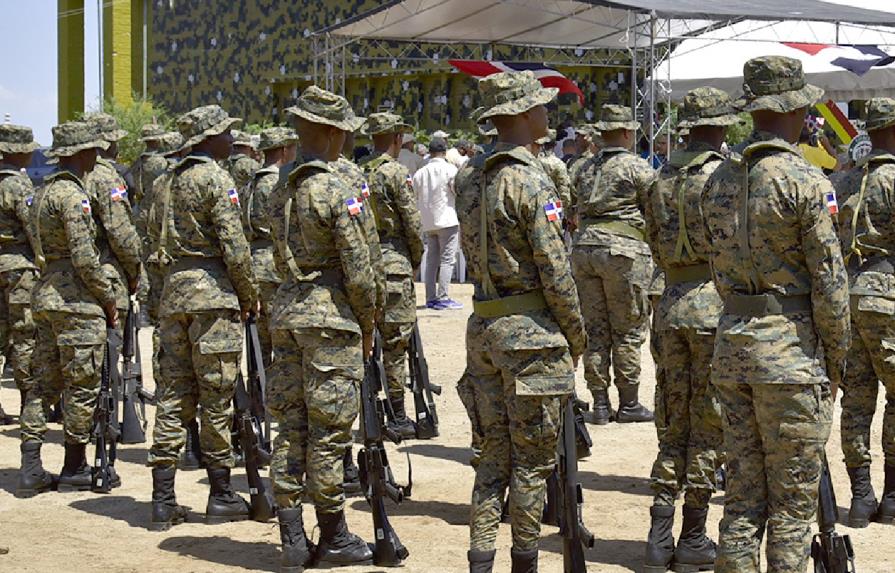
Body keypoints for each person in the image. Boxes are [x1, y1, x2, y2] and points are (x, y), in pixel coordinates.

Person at [702, 56, 849, 573]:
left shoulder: (717, 178)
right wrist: (837, 358)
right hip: (791, 354)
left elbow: (716, 270)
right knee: (791, 506)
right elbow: (830, 282)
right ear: (796, 108)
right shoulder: (804, 180)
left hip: (734, 344)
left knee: (742, 498)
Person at [455, 70, 586, 572]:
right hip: (532, 333)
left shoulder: (469, 174)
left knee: (490, 456)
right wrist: (575, 334)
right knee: (532, 463)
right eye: (541, 107)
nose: (547, 113)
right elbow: (555, 270)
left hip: (484, 326)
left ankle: (480, 558)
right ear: (525, 115)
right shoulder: (531, 178)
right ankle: (525, 561)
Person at [267, 86, 376, 570]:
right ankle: (333, 535)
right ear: (332, 133)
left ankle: (292, 537)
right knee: (329, 431)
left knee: (290, 427)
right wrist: (368, 323)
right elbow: (359, 267)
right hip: (331, 317)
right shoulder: (335, 187)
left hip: (288, 311)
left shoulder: (280, 184)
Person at [147, 105, 259, 530]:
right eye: (226, 134)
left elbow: (149, 244)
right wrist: (248, 296)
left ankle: (162, 499)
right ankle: (221, 494)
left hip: (174, 297)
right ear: (207, 140)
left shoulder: (162, 183)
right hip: (212, 297)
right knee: (216, 398)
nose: (232, 140)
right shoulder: (216, 178)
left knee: (172, 395)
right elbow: (234, 246)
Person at [642, 87, 738, 572]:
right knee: (707, 426)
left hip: (670, 303)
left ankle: (658, 535)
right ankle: (693, 535)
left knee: (671, 422)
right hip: (711, 303)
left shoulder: (660, 177)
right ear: (719, 126)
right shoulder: (722, 175)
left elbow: (653, 242)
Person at [16, 121, 118, 497]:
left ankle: (30, 466)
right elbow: (85, 258)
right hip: (75, 300)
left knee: (42, 384)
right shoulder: (73, 196)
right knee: (82, 384)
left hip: (44, 296)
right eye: (91, 149)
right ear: (77, 153)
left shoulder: (40, 194)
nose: (96, 155)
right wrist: (107, 296)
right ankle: (74, 466)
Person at [570, 104, 656, 425]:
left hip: (584, 249)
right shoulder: (638, 168)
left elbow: (570, 206)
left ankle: (601, 403)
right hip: (623, 251)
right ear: (624, 132)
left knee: (595, 330)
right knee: (629, 329)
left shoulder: (582, 168)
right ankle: (630, 402)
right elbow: (654, 210)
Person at [835, 96, 895, 528]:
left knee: (855, 401)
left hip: (847, 296)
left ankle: (860, 497)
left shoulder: (843, 180)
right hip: (888, 295)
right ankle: (892, 495)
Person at [362, 111, 424, 440]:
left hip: (364, 264)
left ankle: (370, 407)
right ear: (397, 139)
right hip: (393, 261)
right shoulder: (395, 173)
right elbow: (412, 223)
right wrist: (415, 258)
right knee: (396, 344)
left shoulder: (357, 172)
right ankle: (398, 414)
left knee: (367, 341)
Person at [241, 127, 297, 365]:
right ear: (284, 150)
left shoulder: (251, 183)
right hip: (274, 265)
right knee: (280, 336)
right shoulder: (278, 182)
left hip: (254, 261)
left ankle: (257, 394)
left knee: (258, 337)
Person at [83, 113, 143, 326]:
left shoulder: (67, 175)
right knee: (106, 353)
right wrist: (135, 271)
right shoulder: (106, 178)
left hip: (67, 282)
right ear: (107, 144)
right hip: (105, 273)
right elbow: (120, 233)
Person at [0, 125, 39, 426]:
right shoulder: (19, 185)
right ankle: (29, 405)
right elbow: (33, 228)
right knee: (24, 336)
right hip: (18, 268)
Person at [413, 136, 461, 310]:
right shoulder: (451, 170)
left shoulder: (420, 172)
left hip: (428, 221)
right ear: (445, 151)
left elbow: (414, 195)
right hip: (447, 219)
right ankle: (443, 296)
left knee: (431, 261)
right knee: (447, 260)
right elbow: (456, 191)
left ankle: (430, 297)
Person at [130, 124, 168, 209]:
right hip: (159, 209)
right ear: (158, 140)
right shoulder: (162, 162)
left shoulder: (137, 162)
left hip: (141, 209)